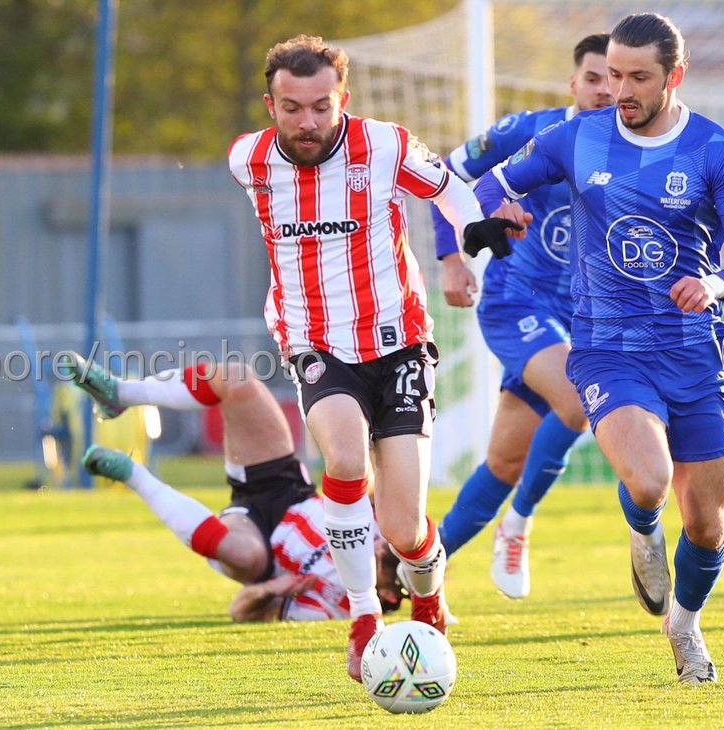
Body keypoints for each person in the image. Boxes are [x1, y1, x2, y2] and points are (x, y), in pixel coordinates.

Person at [476, 13, 724, 683]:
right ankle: (643, 531)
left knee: (706, 523)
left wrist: (716, 282)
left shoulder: (712, 148)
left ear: (676, 74)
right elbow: (493, 184)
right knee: (649, 479)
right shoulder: (576, 136)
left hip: (693, 351)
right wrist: (498, 209)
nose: (621, 91)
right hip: (607, 347)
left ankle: (686, 625)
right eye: (612, 75)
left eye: (638, 77)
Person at [226, 35, 518, 682]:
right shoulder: (247, 160)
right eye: (292, 107)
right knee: (345, 456)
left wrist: (473, 232)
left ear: (342, 102)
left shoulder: (382, 145)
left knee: (405, 524)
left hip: (398, 342)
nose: (307, 122)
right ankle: (363, 621)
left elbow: (448, 187)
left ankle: (429, 590)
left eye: (321, 108)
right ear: (269, 105)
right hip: (314, 339)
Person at [432, 33, 613, 600]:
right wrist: (451, 259)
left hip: (577, 317)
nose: (606, 90)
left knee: (505, 461)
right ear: (573, 82)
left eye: (618, 79)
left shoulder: (635, 150)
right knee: (582, 400)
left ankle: (411, 571)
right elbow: (446, 172)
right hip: (517, 302)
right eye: (593, 78)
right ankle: (519, 524)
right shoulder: (528, 132)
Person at [62, 352, 408, 623]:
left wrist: (272, 589)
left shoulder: (338, 607)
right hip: (288, 489)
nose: (378, 549)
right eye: (385, 549)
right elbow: (380, 479)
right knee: (236, 378)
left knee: (244, 555)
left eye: (384, 561)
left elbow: (239, 611)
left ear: (389, 595)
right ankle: (120, 393)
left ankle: (132, 474)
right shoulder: (390, 532)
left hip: (260, 545)